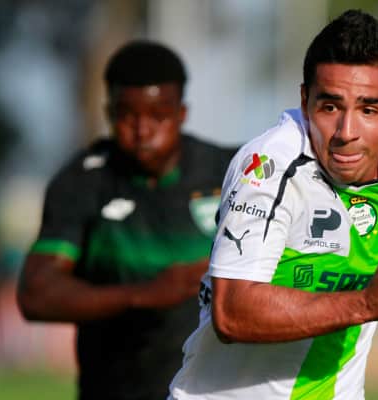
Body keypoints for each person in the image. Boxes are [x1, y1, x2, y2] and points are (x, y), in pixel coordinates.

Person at [168, 10, 378, 400]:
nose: (346, 132)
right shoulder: (268, 167)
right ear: (305, 100)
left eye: (369, 110)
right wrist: (366, 303)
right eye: (330, 107)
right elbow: (231, 313)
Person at [17, 40, 236, 400]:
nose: (142, 129)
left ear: (181, 113)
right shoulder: (82, 182)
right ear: (108, 112)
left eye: (158, 115)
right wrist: (143, 294)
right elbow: (35, 293)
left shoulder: (230, 172)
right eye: (127, 115)